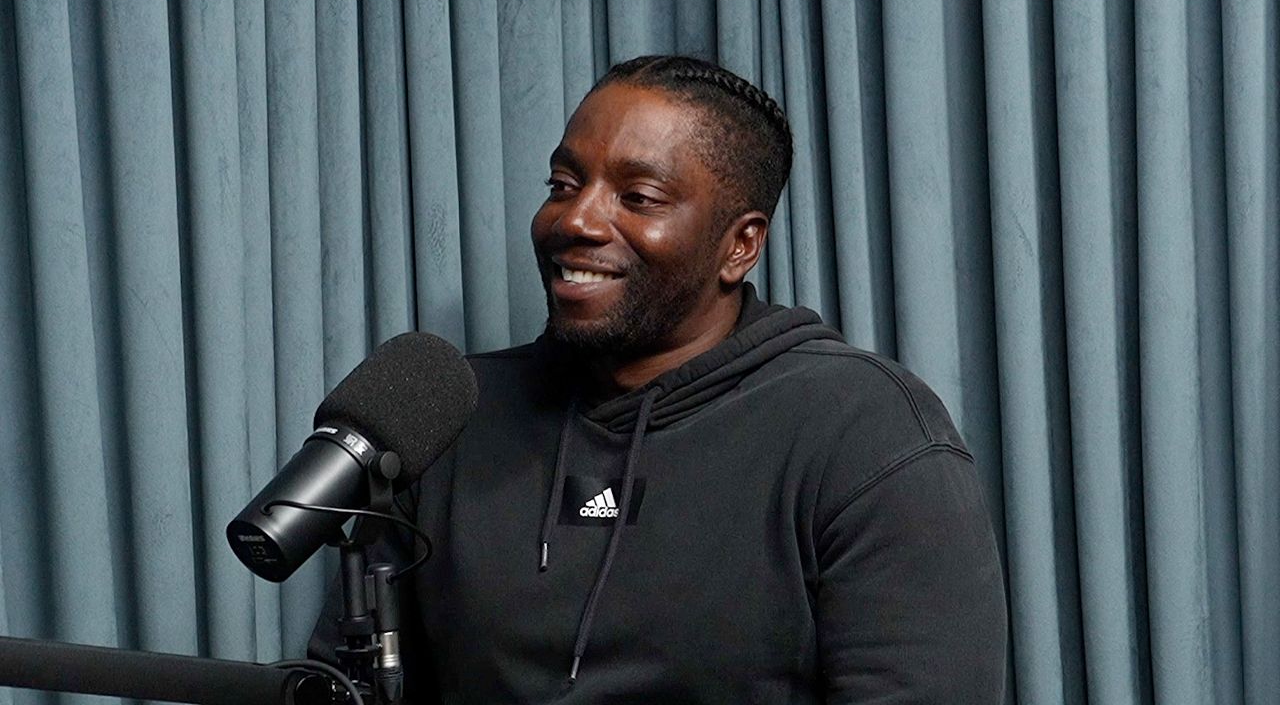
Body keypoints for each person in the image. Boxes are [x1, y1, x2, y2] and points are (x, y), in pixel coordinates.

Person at [310, 54, 1007, 704]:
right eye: (563, 184)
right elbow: (343, 681)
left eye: (638, 197)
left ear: (740, 246)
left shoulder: (863, 432)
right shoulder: (448, 415)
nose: (577, 219)